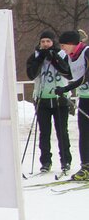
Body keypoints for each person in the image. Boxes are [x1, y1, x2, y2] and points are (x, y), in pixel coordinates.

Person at [26, 29, 72, 174]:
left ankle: (66, 161)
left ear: (53, 42)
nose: (45, 44)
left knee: (62, 132)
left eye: (48, 41)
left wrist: (54, 58)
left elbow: (68, 72)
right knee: (44, 133)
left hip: (60, 99)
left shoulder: (63, 55)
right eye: (43, 42)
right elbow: (31, 74)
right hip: (42, 100)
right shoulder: (35, 56)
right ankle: (45, 161)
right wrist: (40, 59)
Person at [54, 30, 88, 180]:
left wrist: (67, 88)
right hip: (85, 98)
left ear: (72, 43)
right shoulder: (70, 57)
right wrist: (54, 61)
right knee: (84, 134)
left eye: (64, 45)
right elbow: (70, 74)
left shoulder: (87, 51)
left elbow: (86, 75)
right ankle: (86, 167)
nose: (63, 48)